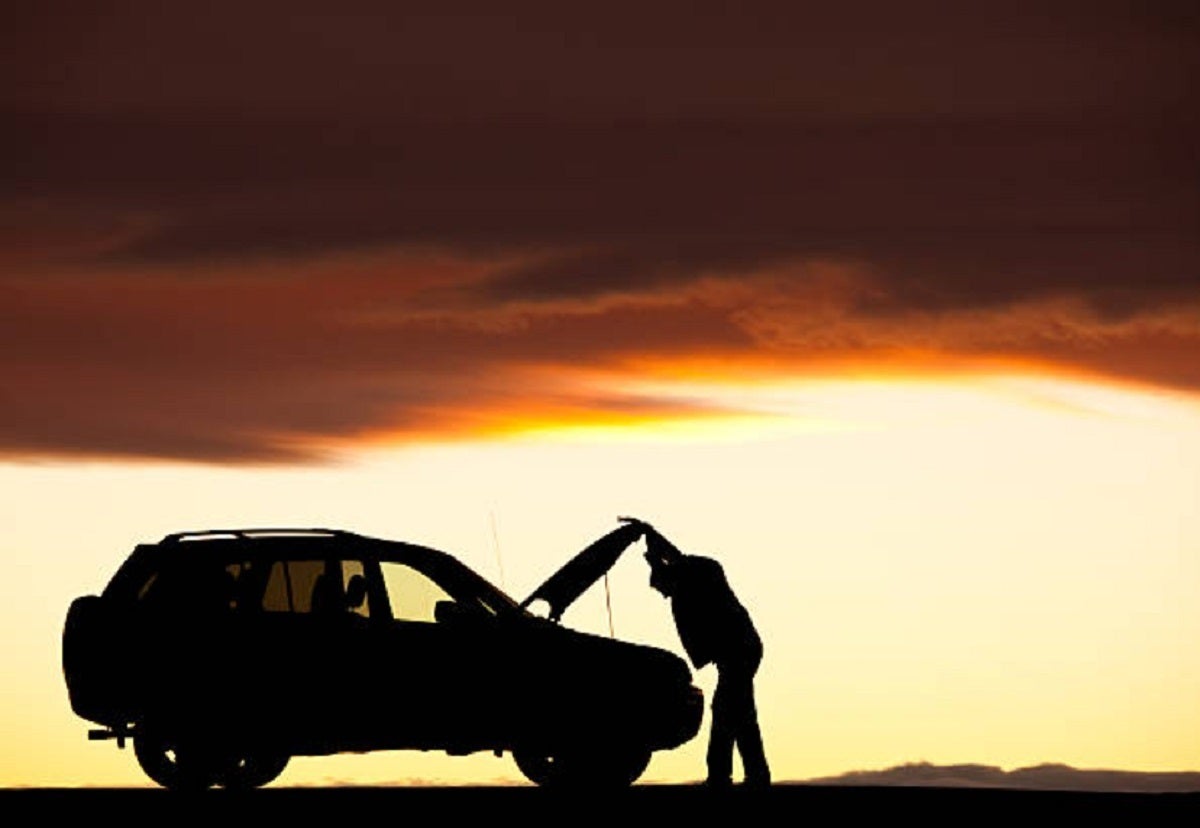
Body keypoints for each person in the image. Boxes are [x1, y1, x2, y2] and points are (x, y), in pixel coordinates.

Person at [630, 519, 771, 788]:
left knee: (726, 712)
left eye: (663, 588)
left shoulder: (700, 574)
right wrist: (651, 548)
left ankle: (722, 775)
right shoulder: (688, 582)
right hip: (736, 653)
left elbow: (676, 557)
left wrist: (651, 534)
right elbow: (671, 558)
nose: (664, 595)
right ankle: (754, 775)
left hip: (740, 651)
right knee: (740, 713)